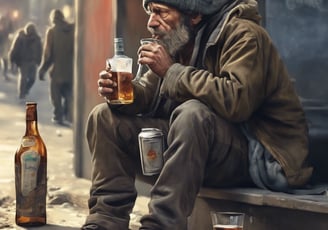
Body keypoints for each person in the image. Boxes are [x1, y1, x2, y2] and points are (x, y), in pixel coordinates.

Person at [82, 0, 313, 229]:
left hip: (256, 154)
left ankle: (162, 224)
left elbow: (237, 101)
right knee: (104, 117)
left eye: (161, 12)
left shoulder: (244, 35)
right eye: (151, 12)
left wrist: (171, 70)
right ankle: (105, 220)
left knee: (193, 114)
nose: (151, 22)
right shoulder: (177, 38)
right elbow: (150, 93)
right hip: (194, 146)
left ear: (194, 15)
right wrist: (127, 94)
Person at [38, 9, 74, 125]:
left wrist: (42, 69)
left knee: (56, 93)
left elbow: (48, 54)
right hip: (71, 71)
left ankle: (58, 116)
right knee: (68, 93)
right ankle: (68, 114)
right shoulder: (73, 30)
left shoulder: (52, 31)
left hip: (57, 71)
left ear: (52, 19)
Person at [8, 23, 42, 100]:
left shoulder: (37, 39)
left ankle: (26, 89)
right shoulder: (20, 38)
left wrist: (39, 61)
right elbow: (14, 49)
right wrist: (12, 60)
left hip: (33, 61)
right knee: (23, 78)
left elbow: (40, 50)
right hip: (23, 61)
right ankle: (22, 93)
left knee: (32, 79)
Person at [0, 12, 14, 80]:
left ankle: (5, 74)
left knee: (5, 60)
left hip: (4, 46)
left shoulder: (6, 30)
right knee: (5, 60)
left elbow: (11, 31)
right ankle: (5, 74)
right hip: (3, 45)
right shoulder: (4, 30)